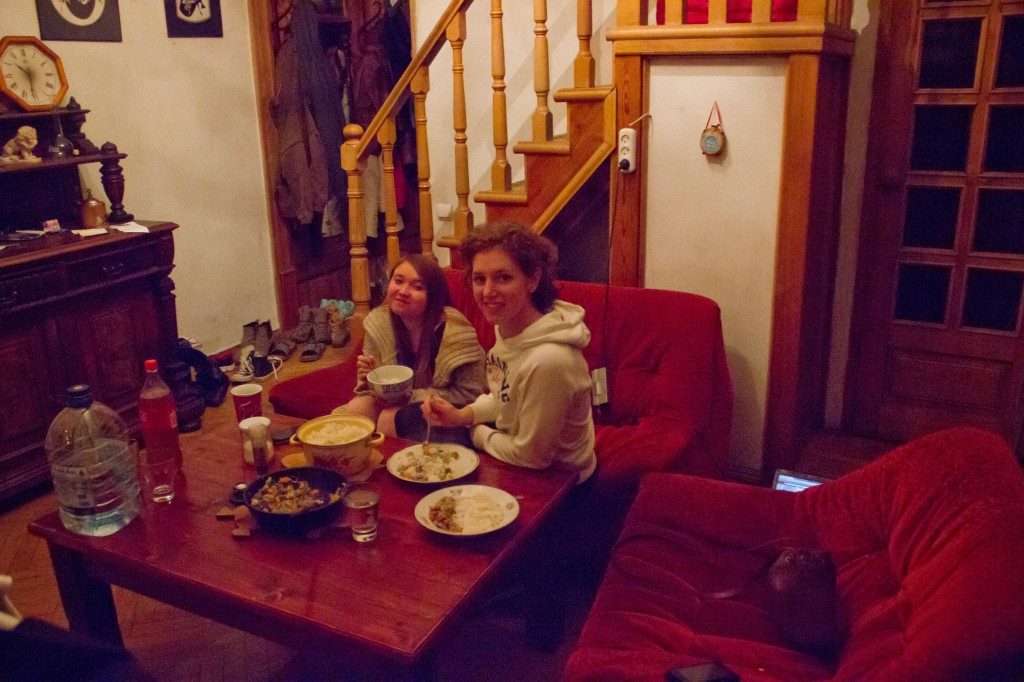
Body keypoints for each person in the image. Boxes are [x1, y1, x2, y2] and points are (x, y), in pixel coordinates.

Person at [422, 222, 596, 484]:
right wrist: (462, 415)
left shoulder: (549, 360)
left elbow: (533, 457)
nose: (487, 292)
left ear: (533, 280)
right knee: (413, 422)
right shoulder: (509, 327)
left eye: (503, 277)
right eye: (479, 279)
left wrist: (475, 433)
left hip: (560, 483)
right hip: (516, 451)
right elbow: (507, 397)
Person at [344, 254, 486, 442]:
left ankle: (396, 459)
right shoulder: (379, 324)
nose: (403, 291)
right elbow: (367, 391)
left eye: (417, 287)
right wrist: (370, 378)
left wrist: (410, 397)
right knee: (358, 408)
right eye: (398, 281)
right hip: (399, 402)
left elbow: (470, 394)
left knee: (388, 418)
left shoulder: (457, 333)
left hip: (445, 410)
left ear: (433, 296)